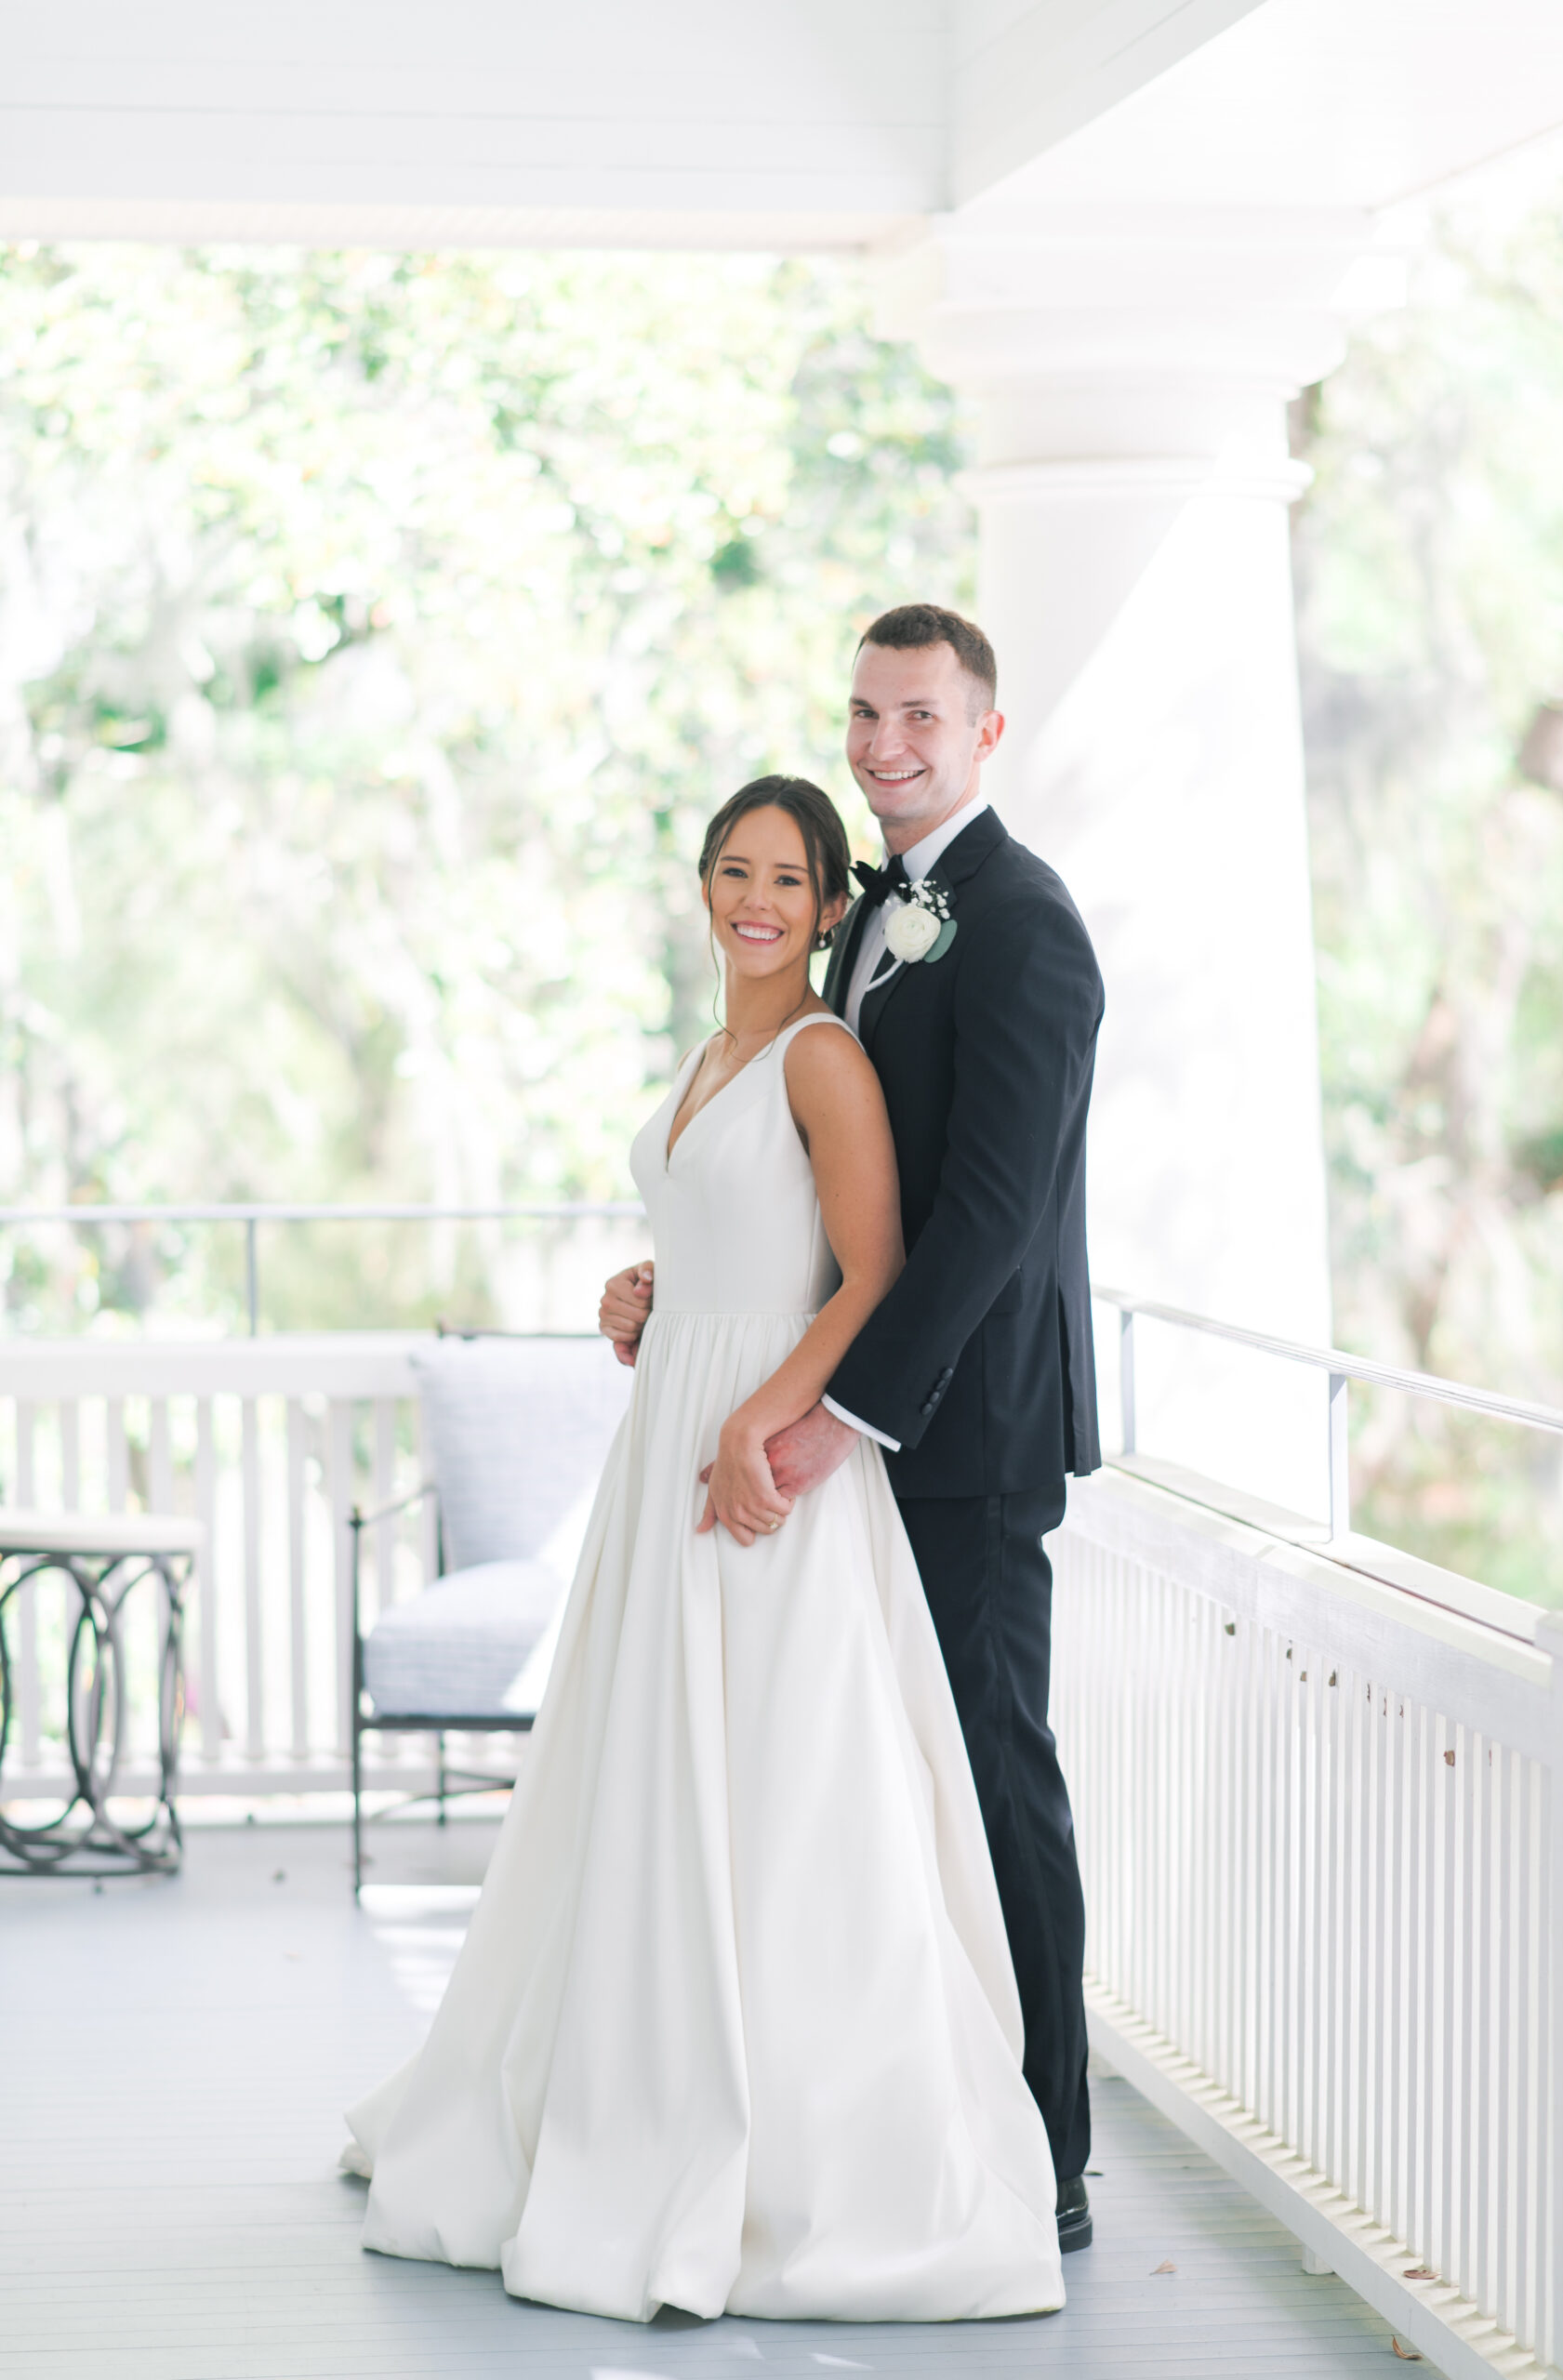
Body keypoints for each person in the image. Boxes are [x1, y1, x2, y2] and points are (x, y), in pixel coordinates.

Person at [342, 773, 1065, 2324]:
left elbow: (867, 1272)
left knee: (784, 1795)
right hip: (668, 1426)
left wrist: (765, 1422)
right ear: (705, 886)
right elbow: (731, 1236)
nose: (757, 900)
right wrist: (645, 1293)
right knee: (653, 1782)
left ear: (825, 907)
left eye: (790, 881)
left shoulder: (822, 1057)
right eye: (734, 871)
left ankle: (794, 2142)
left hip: (763, 1458)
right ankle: (627, 2080)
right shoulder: (715, 1051)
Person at [603, 606, 1105, 2251]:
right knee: (886, 1797)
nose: (886, 746)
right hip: (852, 1410)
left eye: (921, 719)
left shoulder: (1026, 926)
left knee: (990, 1771)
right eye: (866, 716)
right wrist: (685, 1295)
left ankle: (1049, 2152)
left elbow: (988, 1219)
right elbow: (821, 1194)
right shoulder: (873, 921)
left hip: (961, 1430)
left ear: (984, 732)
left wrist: (846, 1416)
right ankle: (906, 2109)